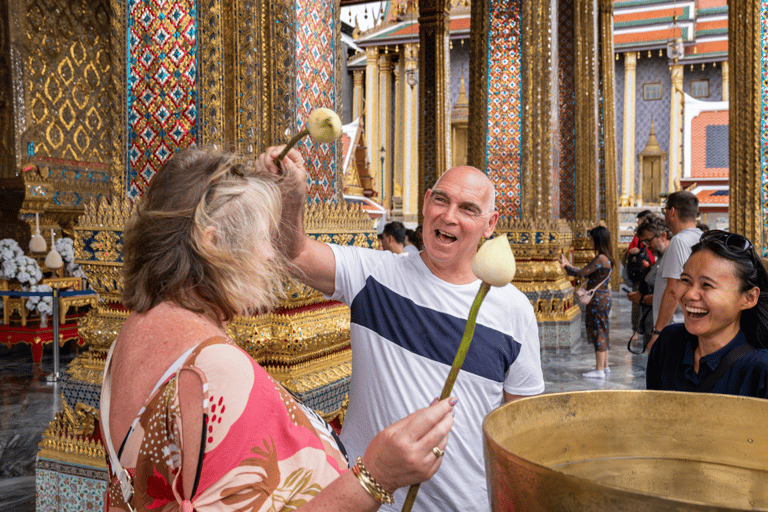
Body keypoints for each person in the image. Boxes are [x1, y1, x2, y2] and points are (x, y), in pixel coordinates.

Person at [99, 147, 455, 512]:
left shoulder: (134, 330)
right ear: (211, 241)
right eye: (262, 236)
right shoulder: (213, 372)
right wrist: (377, 475)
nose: (271, 255)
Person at [257, 149, 545, 512]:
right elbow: (292, 253)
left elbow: (521, 430)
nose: (449, 216)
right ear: (426, 204)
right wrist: (290, 196)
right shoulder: (375, 276)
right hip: (365, 501)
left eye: (468, 209)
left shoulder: (513, 310)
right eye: (441, 200)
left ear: (490, 224)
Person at [647, 230, 768, 397]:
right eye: (685, 280)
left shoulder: (761, 368)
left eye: (707, 285)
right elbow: (653, 414)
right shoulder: (668, 343)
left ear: (748, 298)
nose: (689, 294)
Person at [648, 191, 703, 352]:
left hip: (674, 326)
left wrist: (658, 331)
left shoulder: (679, 241)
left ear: (672, 212)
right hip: (691, 321)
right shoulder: (701, 236)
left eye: (665, 209)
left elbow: (673, 290)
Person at [559, 225, 615, 378]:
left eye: (592, 239)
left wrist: (565, 266)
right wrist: (569, 265)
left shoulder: (600, 259)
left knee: (599, 332)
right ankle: (605, 366)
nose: (590, 242)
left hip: (597, 300)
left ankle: (599, 370)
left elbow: (582, 273)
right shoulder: (607, 258)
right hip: (604, 298)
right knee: (603, 330)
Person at [626, 215, 671, 350]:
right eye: (644, 242)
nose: (647, 246)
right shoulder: (661, 258)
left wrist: (643, 299)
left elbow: (670, 296)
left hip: (663, 328)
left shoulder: (671, 258)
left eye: (648, 241)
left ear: (663, 236)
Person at [623, 210, 655, 342]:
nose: (638, 222)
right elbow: (629, 250)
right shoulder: (637, 237)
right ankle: (635, 329)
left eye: (639, 220)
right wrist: (632, 251)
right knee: (636, 302)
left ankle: (650, 327)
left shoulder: (655, 234)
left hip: (652, 270)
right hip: (640, 273)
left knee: (651, 301)